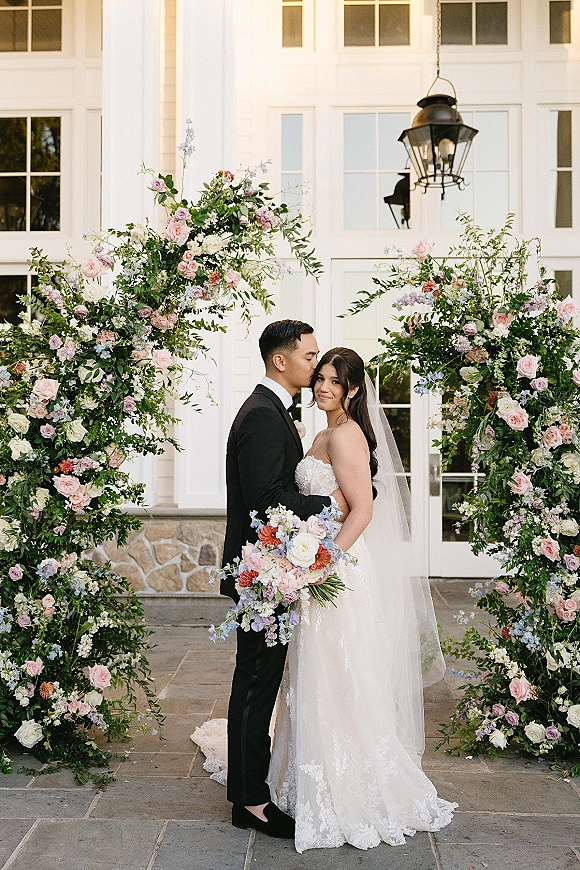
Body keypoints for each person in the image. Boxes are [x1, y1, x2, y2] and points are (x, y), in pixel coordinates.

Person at [266, 347, 457, 851]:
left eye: (334, 381)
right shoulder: (323, 432)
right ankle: (309, 772)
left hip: (339, 571)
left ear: (352, 390)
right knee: (317, 670)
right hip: (317, 561)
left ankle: (351, 784)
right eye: (320, 378)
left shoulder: (347, 434)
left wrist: (321, 564)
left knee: (340, 670)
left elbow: (362, 511)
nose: (323, 387)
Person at [221, 322, 350, 839]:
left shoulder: (273, 411)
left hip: (274, 569)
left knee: (261, 681)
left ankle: (251, 787)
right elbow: (265, 499)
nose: (316, 366)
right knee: (255, 685)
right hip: (261, 573)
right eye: (309, 355)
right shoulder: (261, 417)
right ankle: (249, 801)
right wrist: (332, 505)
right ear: (281, 361)